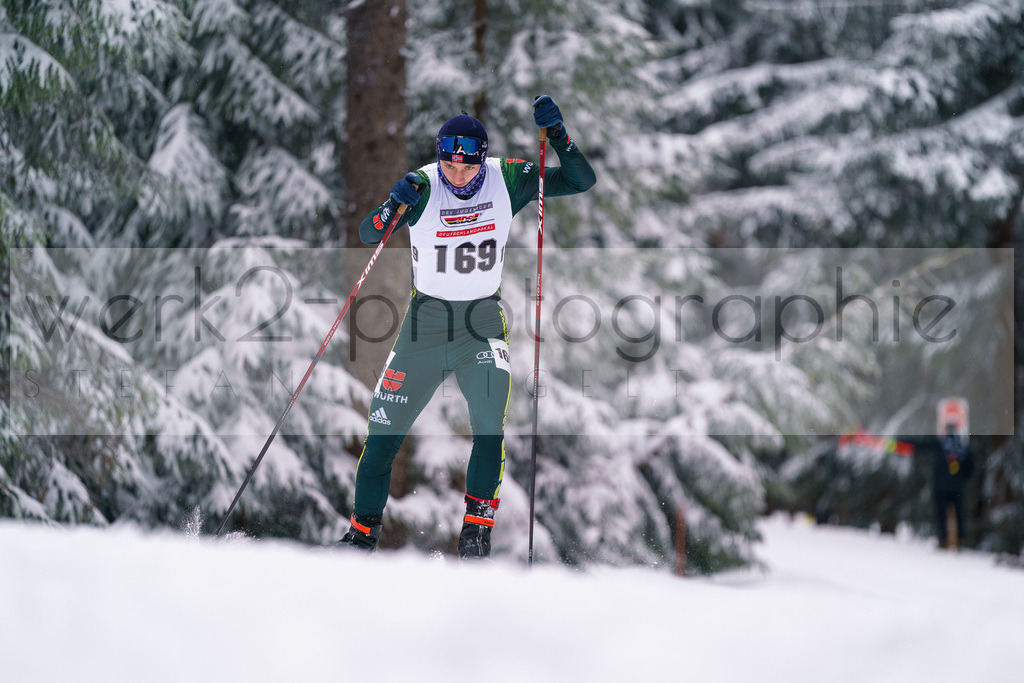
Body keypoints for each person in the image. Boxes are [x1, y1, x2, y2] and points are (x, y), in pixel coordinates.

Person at [335, 95, 596, 559]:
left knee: (489, 426)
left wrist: (559, 136)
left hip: (481, 324)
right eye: (449, 165)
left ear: (483, 160)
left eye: (468, 167)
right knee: (381, 436)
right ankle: (361, 536)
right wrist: (392, 204)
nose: (458, 176)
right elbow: (369, 234)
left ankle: (476, 532)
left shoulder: (508, 178)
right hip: (425, 326)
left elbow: (580, 180)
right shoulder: (422, 185)